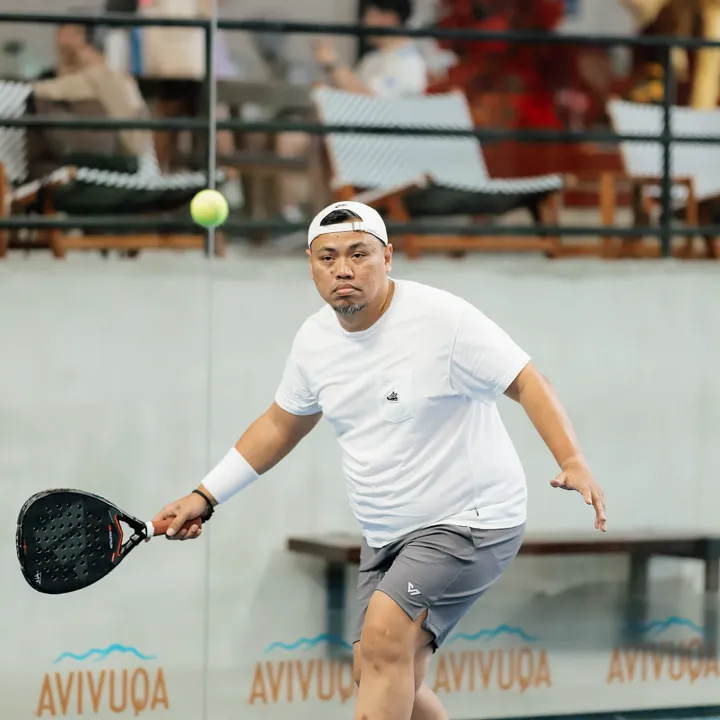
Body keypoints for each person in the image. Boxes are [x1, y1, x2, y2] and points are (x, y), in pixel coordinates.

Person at [153, 200, 607, 720]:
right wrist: (204, 495)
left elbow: (527, 380)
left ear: (387, 257)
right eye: (327, 258)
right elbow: (280, 425)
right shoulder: (314, 341)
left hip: (470, 520)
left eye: (358, 254)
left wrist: (572, 459)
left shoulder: (443, 319)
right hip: (386, 531)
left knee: (386, 640)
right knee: (379, 669)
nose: (342, 269)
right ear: (311, 265)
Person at [276, 0, 428, 224]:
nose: (364, 21)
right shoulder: (374, 59)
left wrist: (334, 65)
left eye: (370, 13)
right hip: (356, 142)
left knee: (297, 141)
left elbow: (369, 102)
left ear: (390, 18)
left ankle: (302, 217)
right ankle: (296, 214)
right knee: (288, 138)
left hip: (384, 153)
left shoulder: (408, 62)